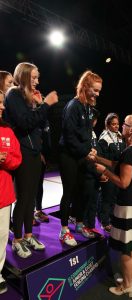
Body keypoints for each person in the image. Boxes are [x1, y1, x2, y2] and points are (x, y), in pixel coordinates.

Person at [94, 112, 132, 297]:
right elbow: (116, 163)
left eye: (125, 125)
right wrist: (97, 158)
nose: (122, 127)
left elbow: (123, 182)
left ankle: (126, 286)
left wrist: (104, 171)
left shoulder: (129, 152)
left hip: (129, 205)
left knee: (126, 248)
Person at [4, 62, 58, 258]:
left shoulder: (28, 97)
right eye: (33, 77)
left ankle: (28, 235)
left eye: (38, 77)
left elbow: (39, 125)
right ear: (24, 76)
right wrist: (45, 105)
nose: (37, 81)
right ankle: (17, 239)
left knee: (31, 197)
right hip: (22, 153)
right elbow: (25, 122)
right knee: (24, 198)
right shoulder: (13, 94)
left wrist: (38, 104)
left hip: (35, 153)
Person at [59, 70, 102, 246]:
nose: (98, 94)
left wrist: (90, 150)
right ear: (85, 87)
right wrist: (87, 152)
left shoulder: (89, 107)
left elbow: (85, 135)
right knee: (68, 192)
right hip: (68, 155)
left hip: (82, 155)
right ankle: (63, 230)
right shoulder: (73, 106)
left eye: (99, 91)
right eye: (95, 90)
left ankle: (79, 223)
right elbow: (69, 137)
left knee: (82, 190)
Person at [0, 91, 22, 294]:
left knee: (1, 236)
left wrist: (4, 160)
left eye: (2, 103)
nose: (2, 107)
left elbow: (16, 158)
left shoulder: (7, 130)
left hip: (4, 194)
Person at [98, 113, 126, 233]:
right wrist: (103, 173)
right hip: (108, 171)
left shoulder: (119, 136)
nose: (116, 126)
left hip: (118, 171)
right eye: (113, 124)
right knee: (107, 197)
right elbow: (100, 157)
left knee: (115, 196)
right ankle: (104, 222)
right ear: (107, 125)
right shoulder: (104, 138)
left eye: (117, 124)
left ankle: (112, 218)